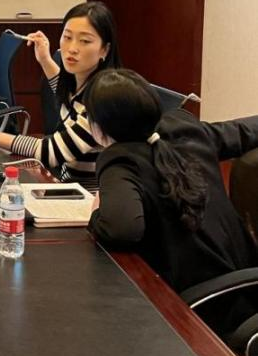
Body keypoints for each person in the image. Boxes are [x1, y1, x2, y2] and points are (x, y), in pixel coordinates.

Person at [85, 68, 258, 336]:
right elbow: (245, 130)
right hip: (246, 285)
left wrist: (96, 213)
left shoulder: (120, 160)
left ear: (98, 128)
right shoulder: (184, 126)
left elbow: (122, 229)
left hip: (203, 311)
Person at [0, 1, 121, 181]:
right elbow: (64, 95)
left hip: (90, 194)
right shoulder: (82, 86)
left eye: (85, 41)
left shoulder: (104, 101)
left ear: (105, 49)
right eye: (67, 37)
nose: (72, 48)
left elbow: (53, 151)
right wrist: (45, 59)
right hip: (68, 184)